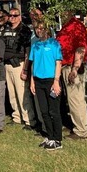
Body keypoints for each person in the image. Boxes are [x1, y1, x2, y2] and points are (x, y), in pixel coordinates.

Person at [30, 21, 63, 150]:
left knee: (53, 111)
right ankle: (50, 136)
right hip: (38, 81)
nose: (39, 31)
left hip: (51, 81)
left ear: (47, 30)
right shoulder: (36, 45)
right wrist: (32, 81)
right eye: (37, 29)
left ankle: (57, 139)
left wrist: (56, 81)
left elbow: (58, 63)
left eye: (42, 28)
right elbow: (33, 64)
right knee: (44, 111)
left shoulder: (54, 44)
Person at [1, 8, 36, 130]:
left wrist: (25, 69)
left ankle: (28, 120)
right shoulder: (6, 29)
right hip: (7, 64)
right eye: (10, 15)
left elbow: (27, 51)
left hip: (19, 65)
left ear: (20, 16)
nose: (12, 17)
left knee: (23, 94)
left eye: (15, 15)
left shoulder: (24, 30)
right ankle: (17, 117)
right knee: (12, 93)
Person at [56, 10, 87, 140]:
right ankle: (72, 124)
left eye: (64, 10)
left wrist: (75, 68)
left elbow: (80, 48)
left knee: (75, 99)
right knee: (69, 100)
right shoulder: (64, 26)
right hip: (64, 66)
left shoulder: (76, 26)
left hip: (72, 67)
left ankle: (81, 131)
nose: (62, 13)